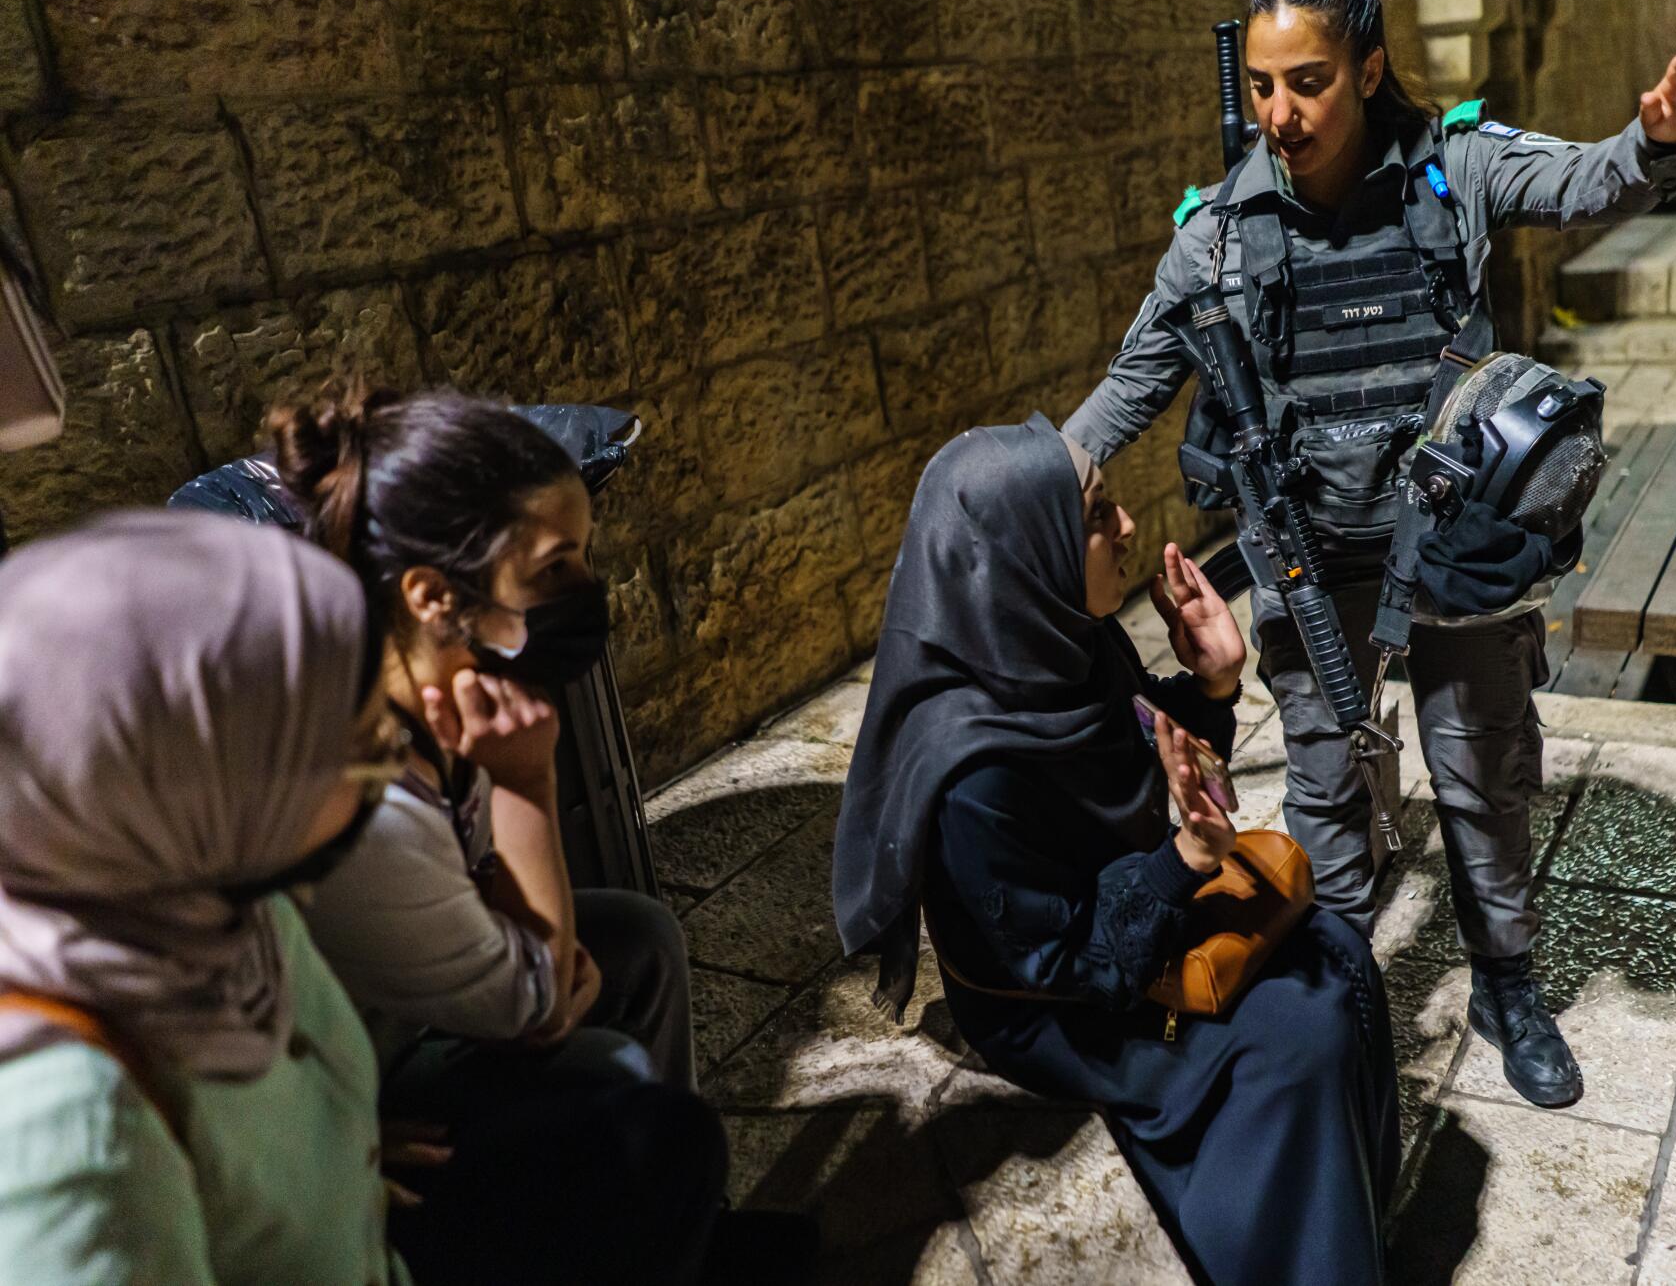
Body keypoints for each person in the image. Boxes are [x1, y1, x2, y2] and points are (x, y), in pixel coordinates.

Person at [1059, 0, 1676, 1110]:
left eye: (1309, 82)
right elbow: (1119, 398)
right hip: (1312, 558)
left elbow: (1589, 182)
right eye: (1263, 87)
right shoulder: (1217, 235)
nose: (1280, 114)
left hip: (1454, 546)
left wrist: (1659, 139)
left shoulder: (1453, 169)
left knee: (1480, 769)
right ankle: (1341, 991)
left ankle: (1504, 980)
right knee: (1322, 787)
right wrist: (1007, 499)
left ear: (1368, 68)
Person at [833, 417, 1399, 1285]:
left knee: (1340, 951)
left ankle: (1349, 1226)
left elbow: (1138, 747)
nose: (1128, 526)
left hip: (1124, 908)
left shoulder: (1063, 635)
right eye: (1098, 515)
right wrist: (1182, 859)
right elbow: (1057, 957)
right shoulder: (971, 767)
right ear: (1028, 548)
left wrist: (1211, 682)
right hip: (1049, 997)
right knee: (1298, 1035)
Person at [267, 383, 795, 1283]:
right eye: (555, 568)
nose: (586, 592)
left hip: (396, 1019)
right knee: (605, 1064)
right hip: (346, 1090)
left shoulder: (430, 699)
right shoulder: (367, 799)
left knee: (638, 938)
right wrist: (526, 778)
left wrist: (541, 958)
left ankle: (696, 1229)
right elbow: (539, 1010)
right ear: (435, 595)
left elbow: (492, 898)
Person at [0, 510, 410, 1283]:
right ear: (201, 780)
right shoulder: (68, 1141)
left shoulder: (213, 903)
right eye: (359, 746)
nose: (396, 755)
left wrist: (349, 1153)